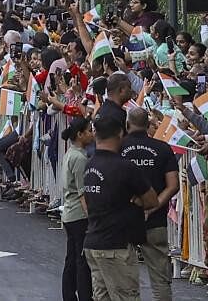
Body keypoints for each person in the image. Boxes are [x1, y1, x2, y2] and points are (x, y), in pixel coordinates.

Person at [83, 114, 160, 301]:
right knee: (127, 296)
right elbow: (152, 200)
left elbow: (84, 201)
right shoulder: (125, 167)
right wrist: (136, 201)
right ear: (120, 133)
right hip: (116, 245)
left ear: (96, 134)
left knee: (102, 296)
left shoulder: (89, 165)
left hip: (93, 241)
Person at [119, 108, 179, 301]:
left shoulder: (118, 148)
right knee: (160, 279)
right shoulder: (162, 148)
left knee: (123, 278)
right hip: (155, 221)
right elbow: (173, 186)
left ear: (128, 124)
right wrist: (153, 206)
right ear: (149, 125)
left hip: (123, 220)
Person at [61, 117, 94, 301]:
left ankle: (68, 295)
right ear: (80, 135)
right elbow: (83, 193)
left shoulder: (70, 153)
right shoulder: (80, 158)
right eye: (89, 130)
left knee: (72, 258)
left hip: (69, 213)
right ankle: (83, 296)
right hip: (78, 215)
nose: (92, 133)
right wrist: (91, 218)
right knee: (82, 260)